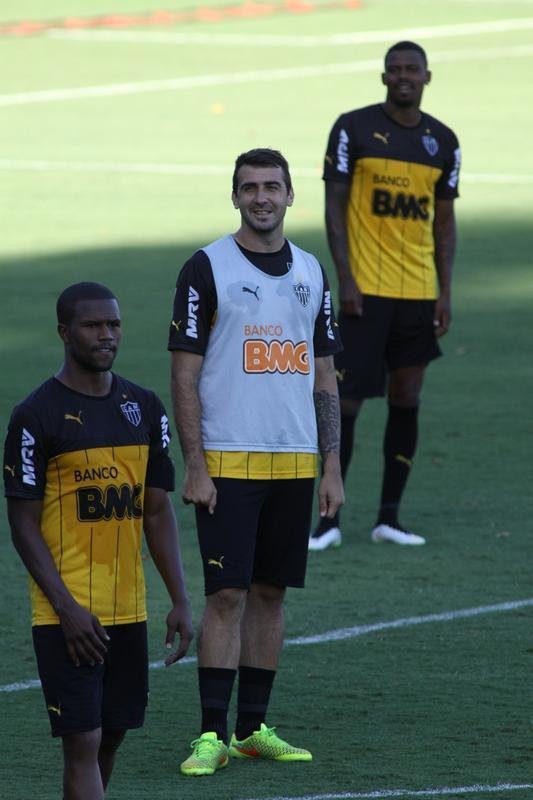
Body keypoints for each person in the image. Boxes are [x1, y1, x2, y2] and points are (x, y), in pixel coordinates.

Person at [168, 148, 344, 776]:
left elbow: (324, 378)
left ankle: (251, 728)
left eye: (273, 187)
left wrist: (332, 465)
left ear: (292, 195)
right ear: (235, 196)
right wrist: (195, 464)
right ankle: (211, 734)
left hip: (295, 462)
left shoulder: (311, 270)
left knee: (270, 594)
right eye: (250, 188)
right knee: (226, 595)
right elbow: (184, 374)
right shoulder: (205, 267)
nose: (262, 197)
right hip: (228, 461)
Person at [3, 282, 193, 800]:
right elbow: (22, 524)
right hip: (66, 613)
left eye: (113, 324)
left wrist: (178, 597)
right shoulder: (35, 416)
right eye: (92, 325)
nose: (106, 335)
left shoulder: (146, 407)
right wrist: (66, 609)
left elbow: (156, 511)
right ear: (65, 333)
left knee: (112, 734)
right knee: (82, 739)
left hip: (128, 610)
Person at [309, 41, 461, 551]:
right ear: (383, 78)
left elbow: (443, 222)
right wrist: (345, 278)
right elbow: (334, 207)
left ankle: (388, 519)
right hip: (364, 294)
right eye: (394, 70)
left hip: (417, 294)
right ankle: (328, 521)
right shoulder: (352, 128)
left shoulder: (443, 142)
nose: (402, 77)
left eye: (411, 70)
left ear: (427, 77)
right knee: (344, 403)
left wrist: (445, 291)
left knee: (407, 398)